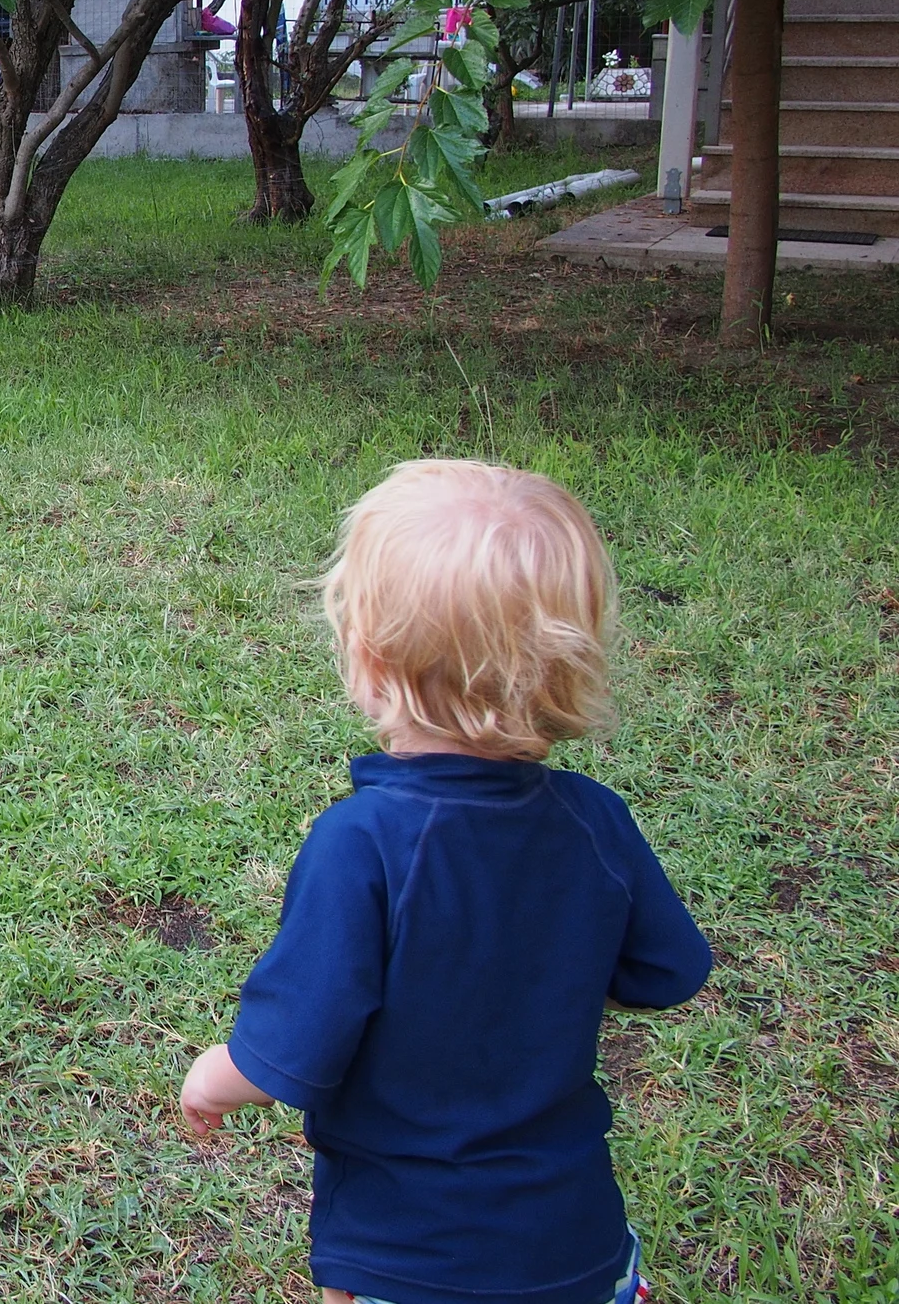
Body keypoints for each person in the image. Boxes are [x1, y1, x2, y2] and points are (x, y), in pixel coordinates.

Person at [180, 459, 711, 1304]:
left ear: (369, 657)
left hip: (408, 1256)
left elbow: (296, 1045)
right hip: (578, 1247)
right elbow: (665, 971)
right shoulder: (595, 820)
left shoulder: (360, 844)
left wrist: (215, 1073)